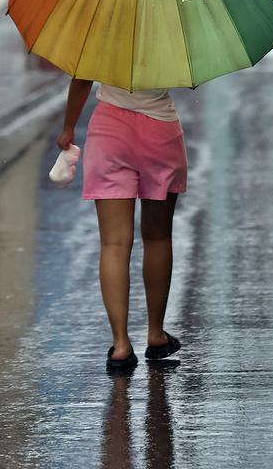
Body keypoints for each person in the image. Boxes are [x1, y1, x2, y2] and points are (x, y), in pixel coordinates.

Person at [57, 80, 187, 373]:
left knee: (114, 244)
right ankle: (156, 334)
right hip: (160, 131)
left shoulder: (101, 32)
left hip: (109, 132)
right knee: (158, 238)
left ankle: (120, 345)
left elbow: (81, 79)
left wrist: (68, 128)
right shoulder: (170, 33)